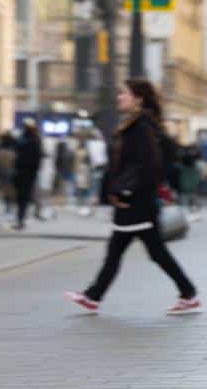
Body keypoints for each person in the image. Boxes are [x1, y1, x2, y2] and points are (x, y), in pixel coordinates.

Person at [67, 78, 199, 315]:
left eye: (124, 94)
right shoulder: (141, 124)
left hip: (136, 201)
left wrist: (126, 190)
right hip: (136, 200)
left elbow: (147, 164)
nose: (119, 97)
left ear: (138, 99)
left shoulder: (141, 126)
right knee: (141, 251)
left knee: (139, 251)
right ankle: (93, 296)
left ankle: (187, 293)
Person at [12, 121, 44, 231]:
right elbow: (38, 158)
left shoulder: (21, 140)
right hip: (29, 173)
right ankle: (22, 218)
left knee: (21, 197)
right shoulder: (35, 141)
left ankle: (20, 218)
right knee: (27, 196)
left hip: (20, 171)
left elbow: (16, 154)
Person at [0, 132, 17, 217]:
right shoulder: (14, 147)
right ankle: (10, 207)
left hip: (3, 169)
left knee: (5, 188)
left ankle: (8, 207)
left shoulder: (0, 148)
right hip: (11, 169)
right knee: (10, 189)